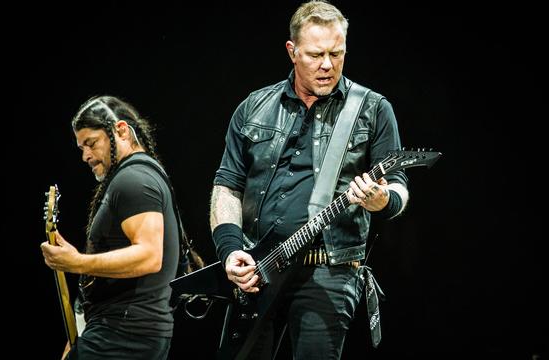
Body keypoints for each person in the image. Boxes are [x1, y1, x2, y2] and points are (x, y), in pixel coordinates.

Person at [209, 1, 409, 358]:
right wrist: (229, 250)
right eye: (316, 55)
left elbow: (398, 187)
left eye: (337, 53)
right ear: (292, 51)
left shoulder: (373, 108)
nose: (327, 65)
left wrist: (381, 199)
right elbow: (227, 185)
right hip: (258, 268)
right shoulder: (254, 106)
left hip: (328, 271)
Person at [41, 95, 180, 360]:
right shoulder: (140, 176)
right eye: (81, 147)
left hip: (123, 336)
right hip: (127, 334)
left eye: (91, 143)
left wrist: (79, 262)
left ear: (121, 130)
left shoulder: (133, 179)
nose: (85, 156)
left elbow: (150, 256)